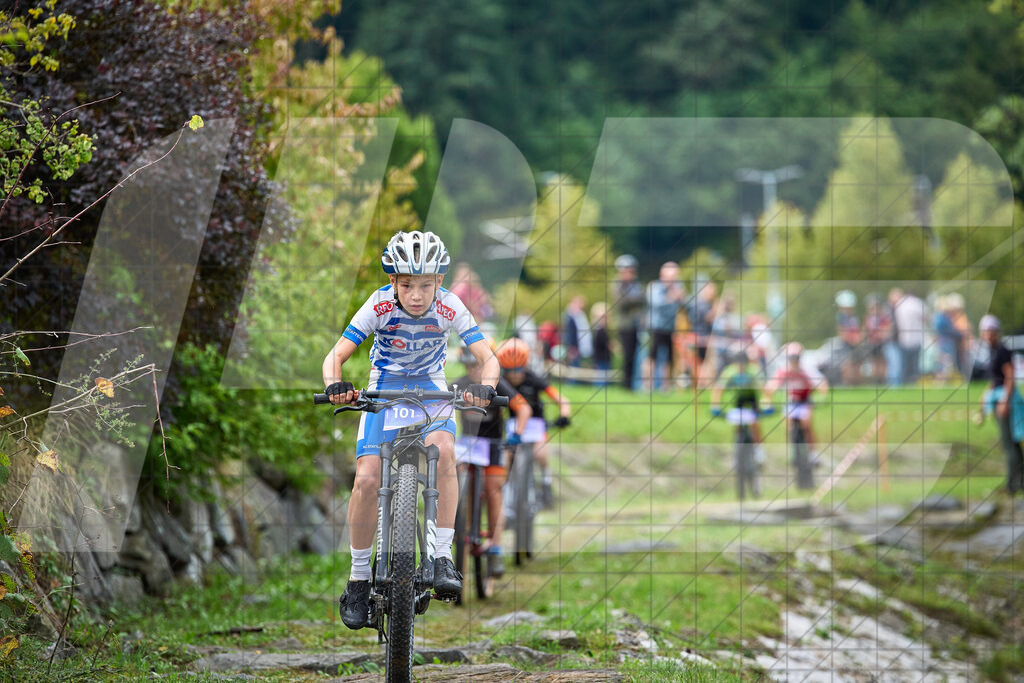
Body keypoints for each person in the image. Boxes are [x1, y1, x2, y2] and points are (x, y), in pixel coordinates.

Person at [322, 230, 500, 630]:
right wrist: (335, 383)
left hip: (432, 388)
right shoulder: (379, 304)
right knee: (367, 480)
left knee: (445, 452)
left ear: (439, 282)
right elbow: (335, 356)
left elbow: (489, 359)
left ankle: (441, 555)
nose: (416, 295)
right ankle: (358, 579)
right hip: (384, 386)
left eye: (425, 285)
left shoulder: (451, 307)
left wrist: (485, 388)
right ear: (392, 283)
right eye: (406, 285)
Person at [450, 347, 533, 577]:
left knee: (493, 489)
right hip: (467, 444)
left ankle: (495, 548)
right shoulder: (459, 384)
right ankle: (456, 532)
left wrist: (517, 433)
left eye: (477, 366)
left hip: (494, 445)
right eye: (469, 366)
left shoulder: (499, 383)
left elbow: (524, 408)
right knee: (455, 483)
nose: (473, 371)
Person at [496, 338, 571, 509]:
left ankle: (546, 482)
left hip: (536, 424)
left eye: (517, 370)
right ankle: (507, 497)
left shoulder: (534, 379)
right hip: (515, 423)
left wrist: (564, 416)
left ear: (524, 366)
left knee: (541, 454)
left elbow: (561, 400)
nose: (514, 376)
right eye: (509, 371)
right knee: (507, 457)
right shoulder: (502, 381)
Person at [977, 315, 1024, 496]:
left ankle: (1012, 484)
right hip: (998, 396)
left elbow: (1009, 377)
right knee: (1013, 442)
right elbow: (996, 379)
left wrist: (1004, 400)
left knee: (1009, 442)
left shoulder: (1003, 351)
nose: (988, 334)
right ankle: (1019, 481)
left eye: (991, 330)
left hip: (1007, 399)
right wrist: (985, 396)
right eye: (985, 330)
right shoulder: (992, 351)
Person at [764, 342, 829, 461]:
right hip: (792, 401)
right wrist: (768, 400)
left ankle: (813, 453)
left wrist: (822, 396)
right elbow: (771, 386)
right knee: (787, 422)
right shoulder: (783, 371)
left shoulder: (807, 369)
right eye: (791, 358)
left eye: (796, 358)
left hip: (805, 400)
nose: (794, 361)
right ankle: (794, 449)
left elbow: (822, 384)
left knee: (807, 424)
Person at [710, 346, 768, 464]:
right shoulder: (729, 372)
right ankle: (737, 454)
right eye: (738, 363)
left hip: (752, 399)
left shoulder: (753, 371)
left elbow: (763, 388)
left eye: (743, 363)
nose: (741, 366)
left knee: (755, 424)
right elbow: (718, 389)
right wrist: (715, 406)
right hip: (739, 400)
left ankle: (759, 450)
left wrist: (767, 403)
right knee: (737, 425)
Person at [645, 261, 685, 391]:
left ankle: (665, 386)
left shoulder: (678, 287)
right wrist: (672, 297)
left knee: (668, 358)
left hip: (670, 327)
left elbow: (685, 306)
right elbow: (656, 304)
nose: (673, 280)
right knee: (652, 356)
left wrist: (681, 298)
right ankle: (648, 385)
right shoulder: (654, 287)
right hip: (655, 327)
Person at [613, 254, 645, 390]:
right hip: (624, 325)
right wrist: (635, 300)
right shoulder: (617, 284)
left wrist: (634, 299)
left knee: (634, 355)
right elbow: (622, 303)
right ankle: (625, 384)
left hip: (636, 325)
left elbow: (643, 299)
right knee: (627, 355)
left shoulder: (636, 285)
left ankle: (631, 384)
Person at [890, 287, 927, 385]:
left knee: (904, 365)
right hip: (916, 339)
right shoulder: (918, 303)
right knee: (914, 365)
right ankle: (912, 383)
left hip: (903, 339)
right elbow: (926, 318)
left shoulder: (900, 305)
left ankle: (905, 383)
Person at [862, 293, 893, 384]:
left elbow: (887, 329)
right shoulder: (868, 318)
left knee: (882, 363)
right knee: (875, 363)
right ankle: (876, 381)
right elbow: (865, 330)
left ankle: (882, 380)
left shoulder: (883, 318)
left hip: (882, 343)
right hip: (872, 343)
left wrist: (880, 334)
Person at [932, 295, 963, 384]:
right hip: (946, 343)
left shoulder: (937, 317)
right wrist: (960, 335)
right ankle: (941, 381)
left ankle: (941, 381)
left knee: (943, 363)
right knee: (946, 363)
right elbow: (950, 330)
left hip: (942, 342)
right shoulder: (942, 318)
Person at [835, 290, 862, 386]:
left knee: (856, 364)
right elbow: (841, 332)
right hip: (846, 344)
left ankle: (856, 384)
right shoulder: (841, 316)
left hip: (855, 344)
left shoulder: (853, 316)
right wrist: (851, 340)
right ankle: (848, 384)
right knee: (847, 365)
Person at [563, 294, 592, 367]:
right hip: (573, 348)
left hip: (578, 347)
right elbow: (570, 333)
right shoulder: (570, 316)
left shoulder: (579, 315)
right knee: (573, 368)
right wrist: (573, 347)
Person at [590, 302, 613, 377]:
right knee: (601, 377)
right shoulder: (599, 331)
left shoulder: (602, 330)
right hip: (601, 358)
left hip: (603, 358)